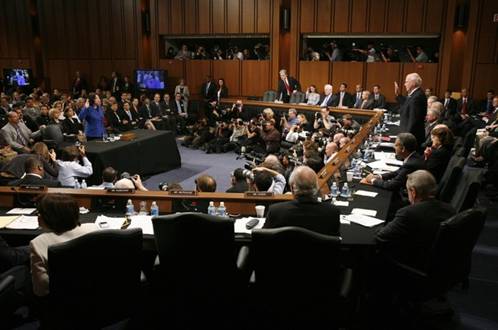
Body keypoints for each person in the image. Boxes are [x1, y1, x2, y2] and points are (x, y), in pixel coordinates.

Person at [376, 170, 456, 270]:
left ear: (413, 192)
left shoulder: (408, 213)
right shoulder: (450, 209)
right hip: (441, 265)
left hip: (412, 264)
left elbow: (381, 236)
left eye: (407, 190)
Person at [30, 194, 99, 296]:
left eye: (39, 213)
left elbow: (41, 290)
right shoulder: (94, 229)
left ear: (45, 217)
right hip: (97, 292)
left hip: (62, 302)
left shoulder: (38, 243)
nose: (38, 216)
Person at [263, 166, 340, 235]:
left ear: (292, 188)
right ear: (317, 188)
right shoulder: (333, 213)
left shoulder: (275, 211)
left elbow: (262, 238)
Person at [395, 73, 427, 147]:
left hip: (411, 139)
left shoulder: (417, 96)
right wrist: (398, 95)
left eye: (406, 82)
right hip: (409, 135)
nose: (404, 84)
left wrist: (405, 140)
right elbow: (406, 105)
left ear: (413, 83)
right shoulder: (415, 94)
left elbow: (413, 120)